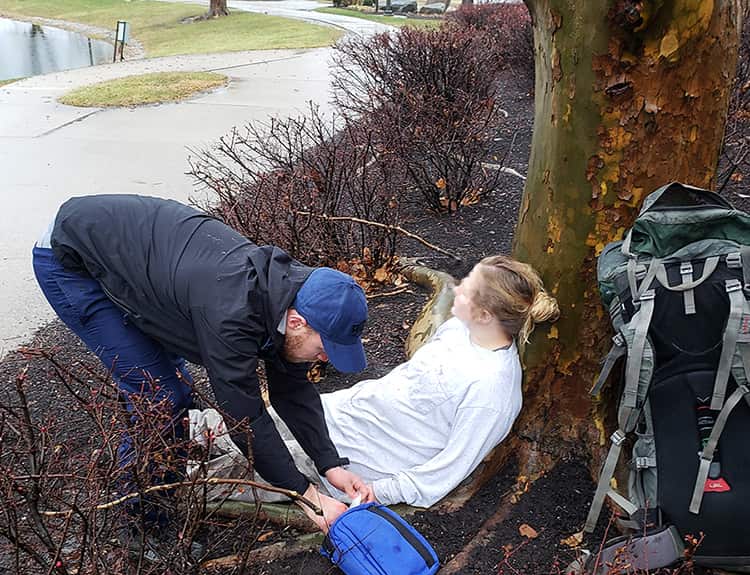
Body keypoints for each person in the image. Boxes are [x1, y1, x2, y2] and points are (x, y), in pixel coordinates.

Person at [32, 194, 372, 535]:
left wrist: (330, 465)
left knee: (171, 387)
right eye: (325, 347)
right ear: (297, 322)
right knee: (161, 399)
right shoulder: (232, 313)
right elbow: (244, 416)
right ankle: (141, 525)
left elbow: (293, 390)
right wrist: (308, 497)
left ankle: (161, 474)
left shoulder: (296, 296)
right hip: (71, 257)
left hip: (142, 257)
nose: (326, 358)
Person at [232, 255, 558, 528]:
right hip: (334, 414)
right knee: (231, 425)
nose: (458, 288)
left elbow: (443, 474)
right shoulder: (461, 328)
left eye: (469, 289)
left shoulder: (492, 394)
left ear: (486, 315)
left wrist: (376, 492)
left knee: (237, 465)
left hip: (355, 465)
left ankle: (183, 477)